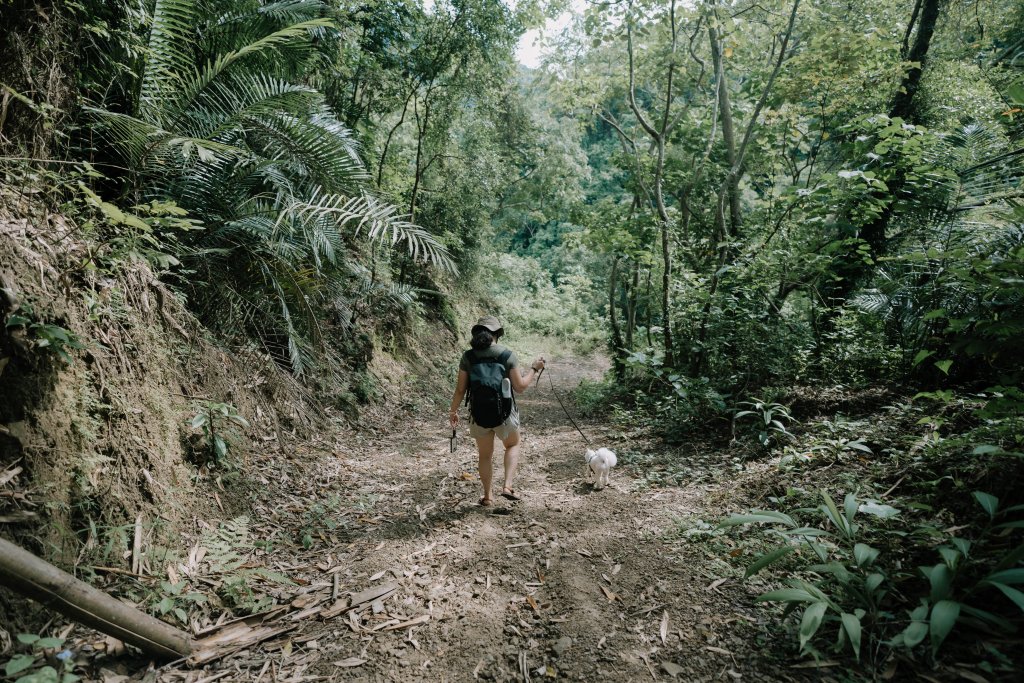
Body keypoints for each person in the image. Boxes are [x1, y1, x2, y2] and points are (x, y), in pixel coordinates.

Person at [449, 316, 545, 506]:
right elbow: (520, 387)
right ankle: (507, 487)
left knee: (485, 455)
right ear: (497, 334)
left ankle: (487, 497)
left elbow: (460, 389)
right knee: (512, 445)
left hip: (478, 414)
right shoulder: (507, 355)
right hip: (505, 415)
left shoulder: (468, 357)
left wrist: (453, 412)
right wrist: (534, 368)